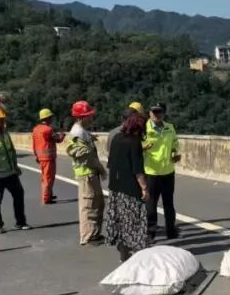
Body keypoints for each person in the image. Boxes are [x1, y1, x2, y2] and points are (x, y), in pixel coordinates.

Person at [105, 112, 150, 262]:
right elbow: (138, 170)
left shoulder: (116, 138)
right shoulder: (134, 142)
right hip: (130, 190)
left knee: (121, 223)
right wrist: (144, 188)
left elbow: (111, 163)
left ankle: (123, 254)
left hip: (115, 188)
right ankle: (137, 257)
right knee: (134, 223)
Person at [66, 100, 106, 245]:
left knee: (97, 204)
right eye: (89, 116)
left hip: (90, 172)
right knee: (88, 206)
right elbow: (85, 155)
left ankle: (94, 234)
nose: (91, 118)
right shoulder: (77, 133)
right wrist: (100, 168)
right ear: (81, 117)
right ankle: (88, 237)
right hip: (86, 173)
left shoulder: (82, 132)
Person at [142, 101, 181, 240]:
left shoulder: (169, 127)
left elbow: (175, 143)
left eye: (160, 112)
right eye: (154, 111)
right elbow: (137, 145)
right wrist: (143, 147)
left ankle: (171, 230)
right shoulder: (143, 128)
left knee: (169, 204)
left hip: (168, 171)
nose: (157, 115)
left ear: (164, 113)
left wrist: (175, 153)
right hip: (151, 171)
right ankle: (150, 232)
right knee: (151, 204)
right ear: (149, 112)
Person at [31, 108, 65, 204]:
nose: (52, 119)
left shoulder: (36, 129)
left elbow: (34, 143)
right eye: (51, 117)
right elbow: (57, 139)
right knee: (48, 177)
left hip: (40, 156)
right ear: (48, 118)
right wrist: (62, 134)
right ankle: (46, 198)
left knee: (45, 177)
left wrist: (36, 155)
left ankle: (49, 194)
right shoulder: (48, 129)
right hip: (48, 157)